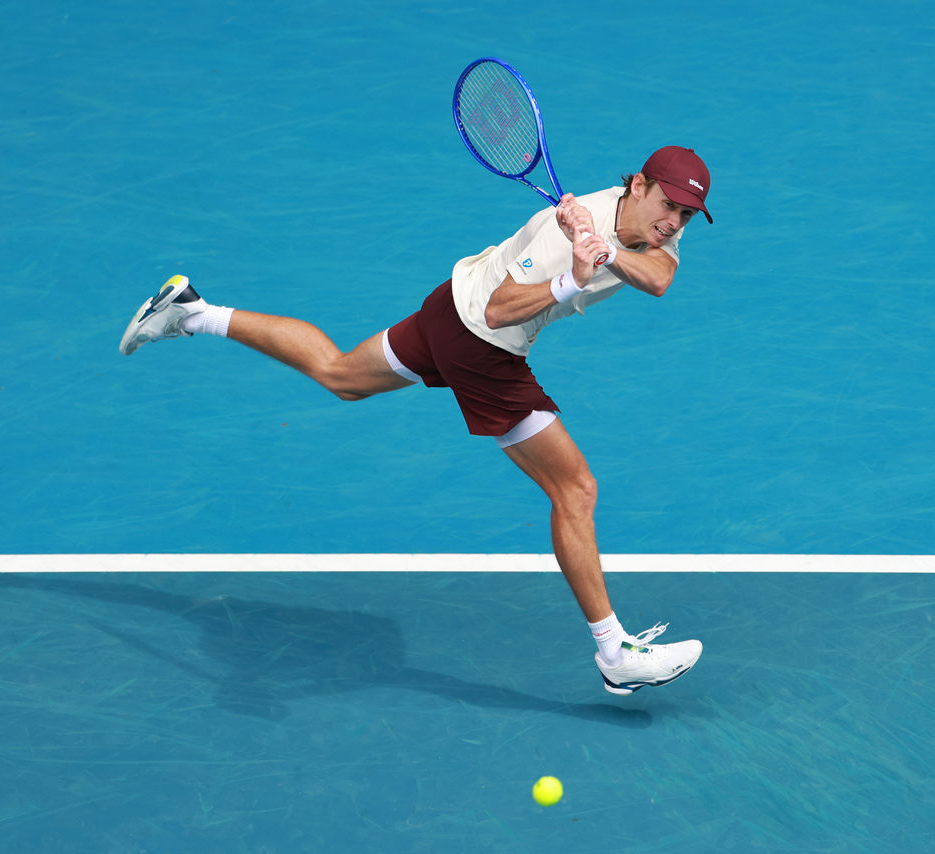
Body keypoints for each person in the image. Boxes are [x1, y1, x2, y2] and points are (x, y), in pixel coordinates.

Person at [119, 145, 713, 696]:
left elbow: (659, 277)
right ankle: (615, 653)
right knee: (575, 490)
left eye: (687, 215)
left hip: (445, 308)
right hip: (483, 342)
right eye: (669, 205)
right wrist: (569, 276)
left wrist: (604, 251)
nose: (675, 222)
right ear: (637, 185)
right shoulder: (563, 231)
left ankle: (194, 312)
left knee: (341, 375)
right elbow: (500, 308)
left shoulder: (649, 228)